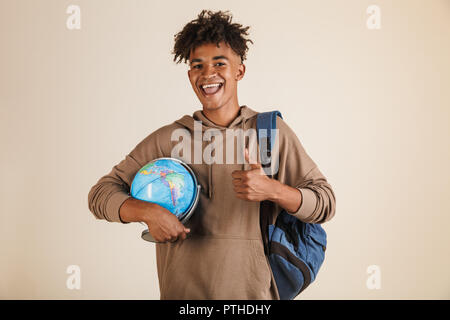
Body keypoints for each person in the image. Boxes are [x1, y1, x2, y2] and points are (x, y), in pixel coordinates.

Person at [88, 10, 336, 300]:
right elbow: (100, 194)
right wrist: (148, 212)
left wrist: (273, 189)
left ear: (239, 71)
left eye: (220, 63)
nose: (208, 74)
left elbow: (325, 203)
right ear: (190, 74)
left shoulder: (270, 133)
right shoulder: (169, 139)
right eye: (198, 65)